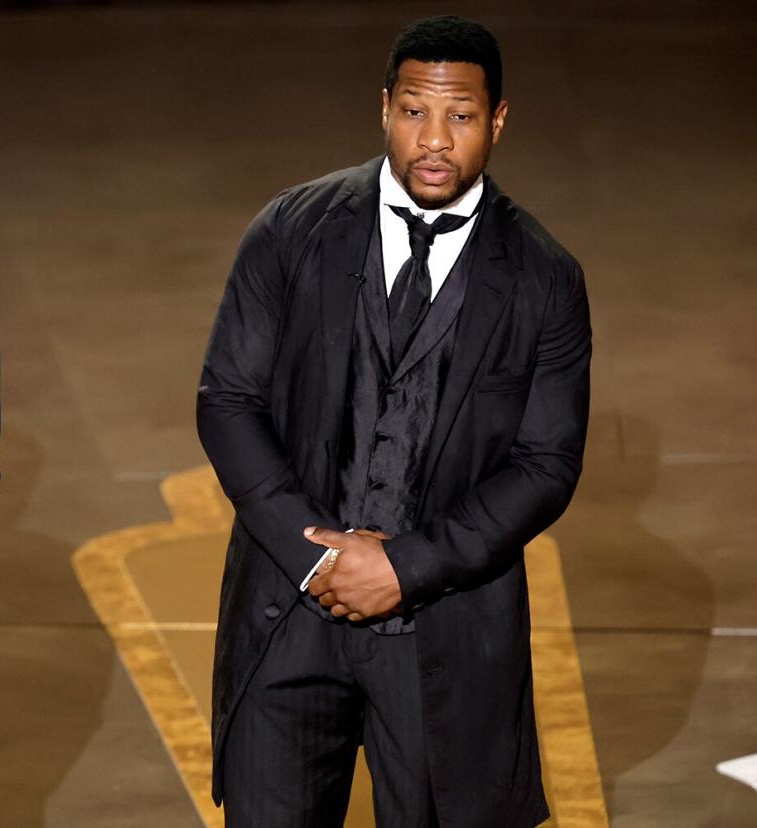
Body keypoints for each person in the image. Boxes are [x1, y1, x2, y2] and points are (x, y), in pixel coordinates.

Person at [197, 15, 589, 827]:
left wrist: (405, 566)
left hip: (445, 632)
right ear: (384, 109)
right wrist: (316, 557)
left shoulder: (545, 278)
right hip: (287, 620)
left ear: (499, 119)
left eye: (461, 115)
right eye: (415, 111)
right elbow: (227, 401)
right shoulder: (290, 230)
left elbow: (546, 464)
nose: (435, 139)